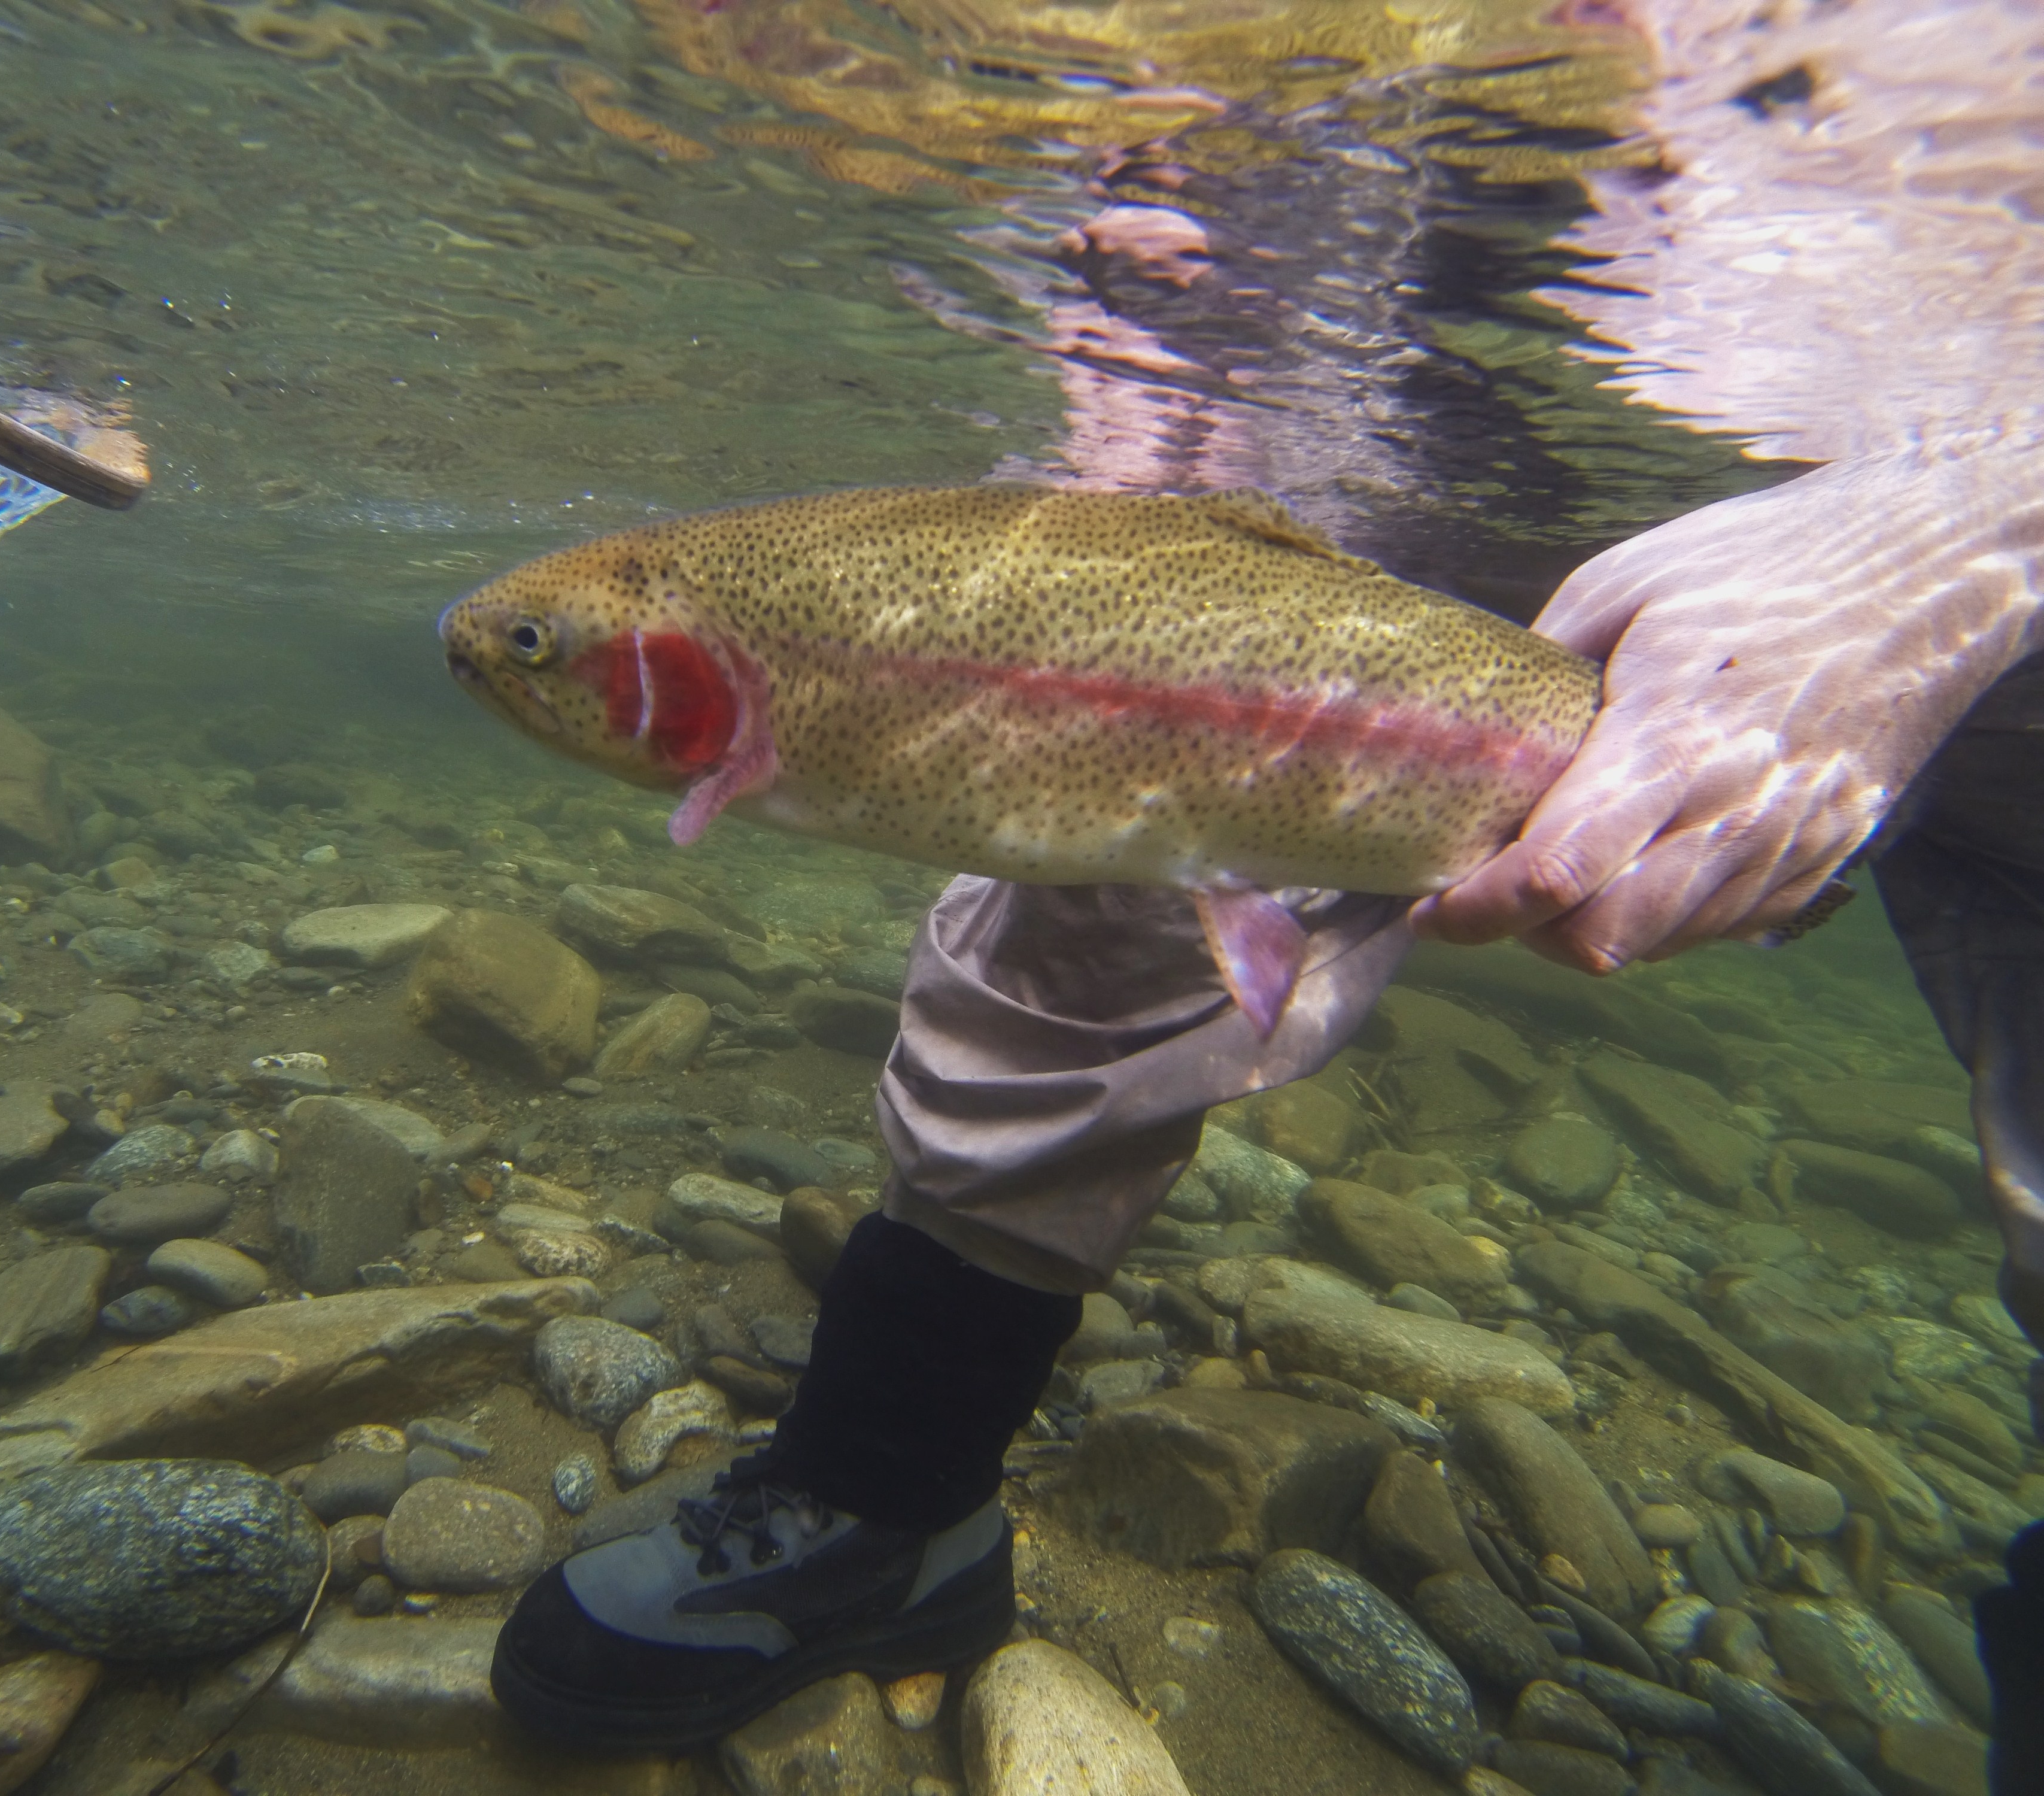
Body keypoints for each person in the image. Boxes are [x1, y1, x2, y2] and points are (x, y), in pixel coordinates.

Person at [491, 0, 2044, 1774]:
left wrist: (1967, 519)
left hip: (1970, 560)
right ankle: (886, 1495)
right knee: (1081, 899)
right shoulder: (1237, 130)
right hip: (1451, 482)